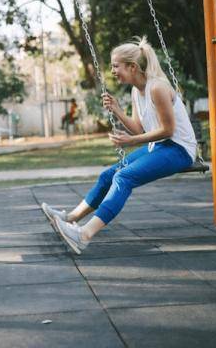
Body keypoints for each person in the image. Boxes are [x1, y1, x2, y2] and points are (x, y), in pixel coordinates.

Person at [42, 37, 196, 254]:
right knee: (108, 175)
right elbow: (138, 129)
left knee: (124, 177)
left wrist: (131, 142)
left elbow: (168, 130)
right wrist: (116, 109)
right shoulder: (136, 90)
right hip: (159, 147)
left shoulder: (158, 88)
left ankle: (84, 235)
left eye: (116, 66)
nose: (113, 70)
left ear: (132, 67)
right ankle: (71, 218)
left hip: (178, 149)